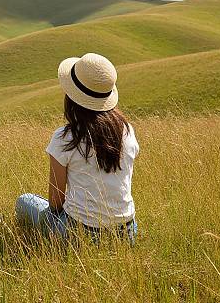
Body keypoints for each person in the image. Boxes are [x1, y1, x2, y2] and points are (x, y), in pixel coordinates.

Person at [15, 53, 139, 245]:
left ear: (71, 97)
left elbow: (56, 202)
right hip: (126, 233)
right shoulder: (127, 132)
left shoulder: (65, 138)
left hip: (79, 234)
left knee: (24, 201)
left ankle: (24, 241)